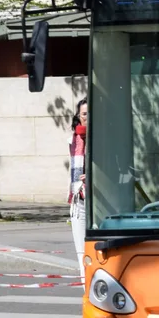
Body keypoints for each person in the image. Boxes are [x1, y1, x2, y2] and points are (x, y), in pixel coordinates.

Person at [68, 98, 87, 284]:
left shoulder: (106, 139)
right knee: (82, 253)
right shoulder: (73, 140)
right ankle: (87, 295)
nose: (87, 118)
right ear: (78, 116)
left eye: (91, 114)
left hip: (99, 200)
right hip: (78, 200)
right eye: (84, 114)